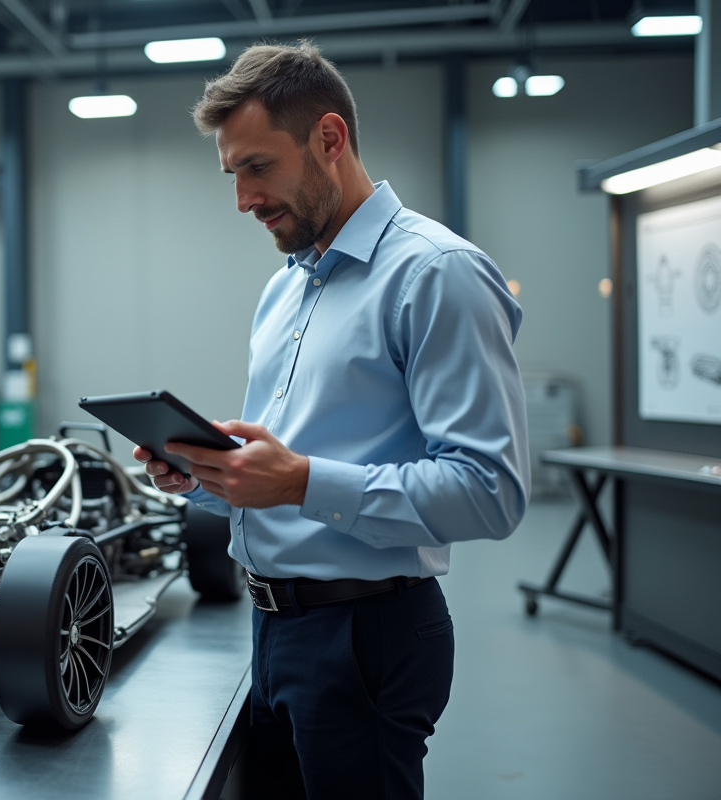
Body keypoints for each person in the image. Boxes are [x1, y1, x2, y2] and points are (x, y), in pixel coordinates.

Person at [134, 42, 530, 799]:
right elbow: (285, 474)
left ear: (328, 138)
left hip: (367, 634)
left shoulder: (435, 274)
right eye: (233, 175)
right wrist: (210, 476)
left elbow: (491, 491)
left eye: (258, 167)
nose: (243, 200)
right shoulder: (287, 287)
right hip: (274, 627)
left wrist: (302, 483)